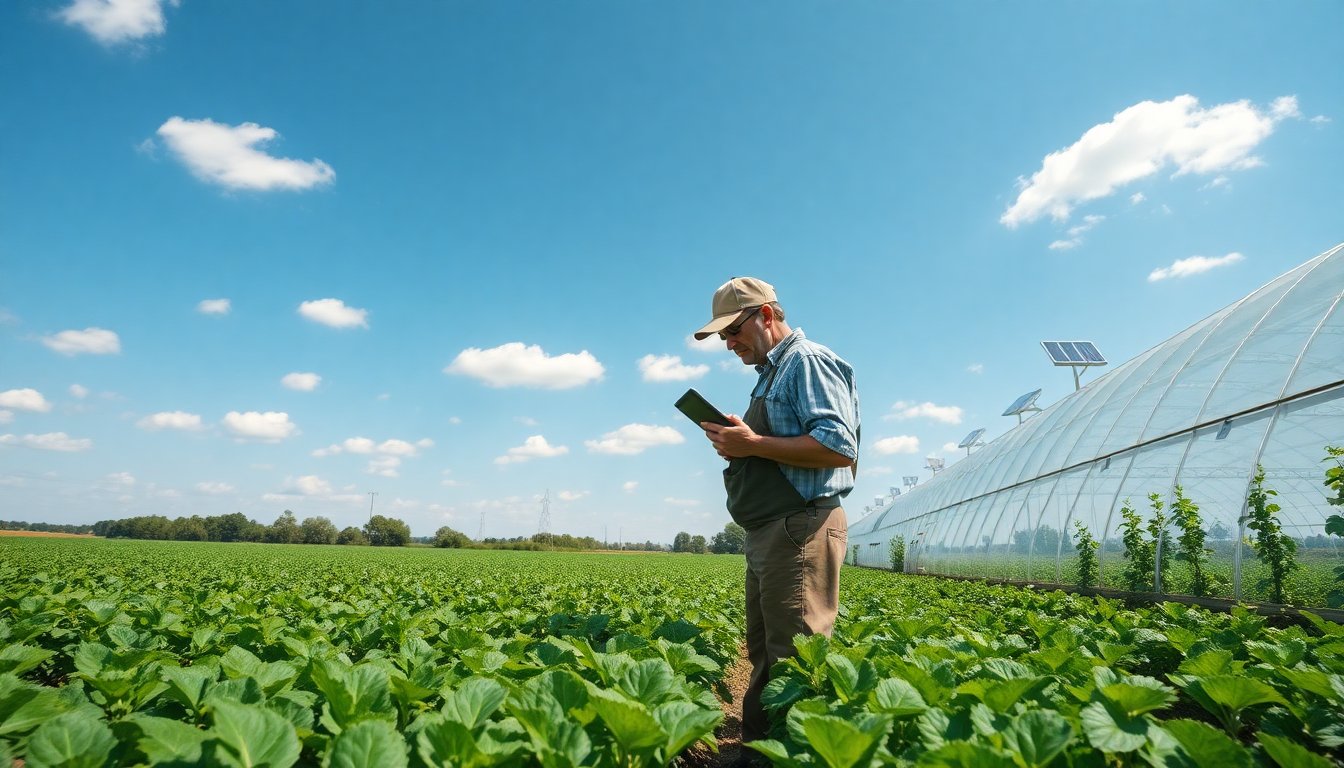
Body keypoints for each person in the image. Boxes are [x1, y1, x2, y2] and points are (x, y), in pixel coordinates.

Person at [691, 276, 860, 745]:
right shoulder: (771, 372)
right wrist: (741, 446)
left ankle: (797, 751)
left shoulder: (806, 362)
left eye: (733, 330)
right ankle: (763, 749)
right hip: (772, 529)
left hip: (801, 526)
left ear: (766, 315)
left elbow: (838, 446)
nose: (728, 343)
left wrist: (754, 443)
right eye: (722, 336)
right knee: (766, 651)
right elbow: (778, 446)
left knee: (796, 656)